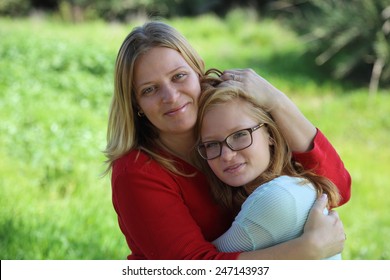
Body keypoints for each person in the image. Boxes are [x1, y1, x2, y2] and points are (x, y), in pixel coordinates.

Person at [104, 20, 351, 260]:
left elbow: (337, 188)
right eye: (149, 89)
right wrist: (305, 252)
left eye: (179, 76)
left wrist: (276, 101)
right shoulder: (136, 172)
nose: (170, 96)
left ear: (197, 69)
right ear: (136, 103)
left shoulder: (233, 113)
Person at [194, 73, 343, 259]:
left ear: (270, 133)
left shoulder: (278, 197)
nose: (227, 155)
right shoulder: (294, 184)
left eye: (240, 135)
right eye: (212, 144)